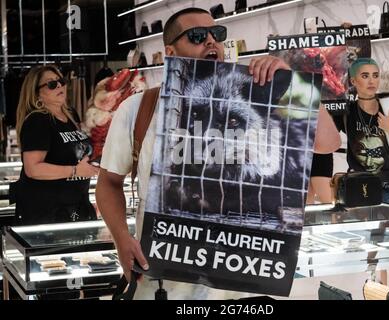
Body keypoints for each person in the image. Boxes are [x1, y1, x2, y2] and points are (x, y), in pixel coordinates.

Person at [96, 7, 341, 299]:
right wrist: (121, 239)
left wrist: (292, 80)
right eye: (197, 36)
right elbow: (108, 182)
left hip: (239, 285)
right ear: (170, 51)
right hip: (164, 281)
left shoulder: (258, 93)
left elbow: (329, 142)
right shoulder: (139, 109)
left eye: (218, 34)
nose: (211, 41)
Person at [334, 57, 389, 299]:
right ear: (354, 81)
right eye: (365, 76)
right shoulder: (346, 111)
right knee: (375, 252)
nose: (372, 80)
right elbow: (324, 137)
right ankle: (382, 296)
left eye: (375, 75)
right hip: (363, 192)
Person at [14, 65, 99, 225]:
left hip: (77, 208)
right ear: (37, 93)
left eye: (60, 81)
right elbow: (33, 169)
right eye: (51, 84)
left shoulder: (71, 115)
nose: (59, 85)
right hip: (47, 213)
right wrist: (75, 171)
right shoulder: (38, 120)